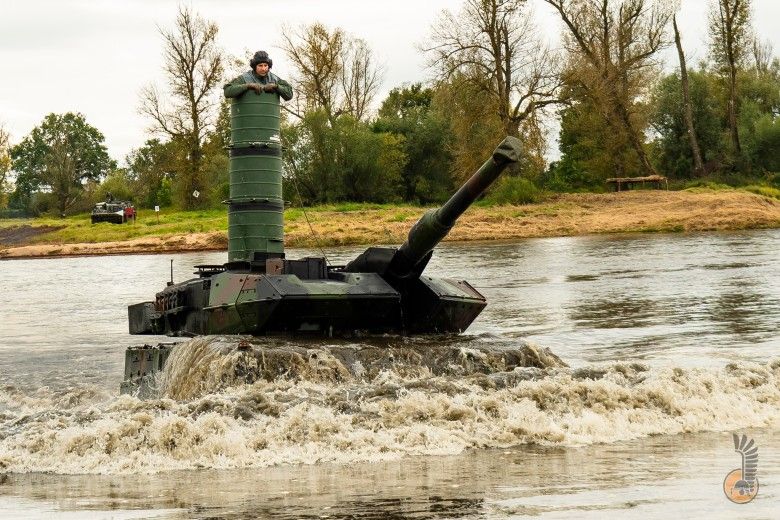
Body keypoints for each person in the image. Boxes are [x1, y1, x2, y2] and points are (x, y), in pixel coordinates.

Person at [223, 50, 293, 101]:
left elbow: (289, 94)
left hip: (268, 114)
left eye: (265, 65)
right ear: (254, 66)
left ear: (269, 66)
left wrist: (276, 86)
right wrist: (247, 86)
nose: (263, 69)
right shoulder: (245, 78)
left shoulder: (274, 79)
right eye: (260, 65)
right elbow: (227, 91)